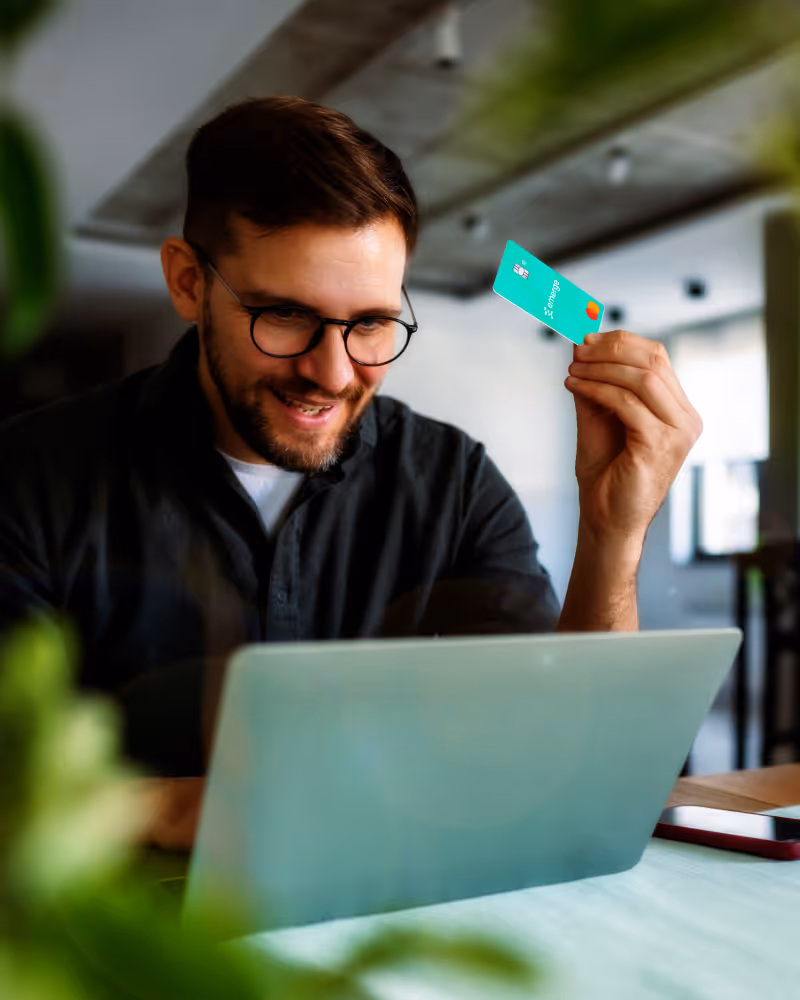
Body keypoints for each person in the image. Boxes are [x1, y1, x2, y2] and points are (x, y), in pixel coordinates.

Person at [0, 96, 701, 846]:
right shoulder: (29, 476)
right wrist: (195, 808)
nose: (333, 374)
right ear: (188, 284)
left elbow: (571, 764)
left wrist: (611, 531)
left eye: (369, 323)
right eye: (285, 315)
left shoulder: (452, 482)